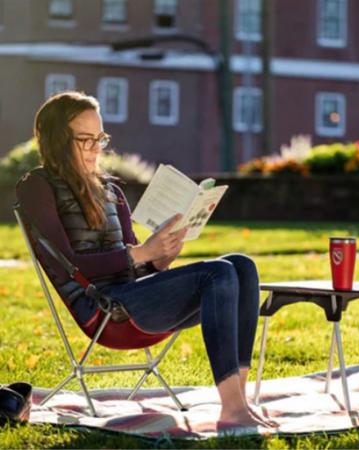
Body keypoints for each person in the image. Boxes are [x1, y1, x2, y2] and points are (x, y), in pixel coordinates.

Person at [16, 91, 277, 429]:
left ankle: (239, 400)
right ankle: (231, 409)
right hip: (105, 311)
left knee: (242, 265)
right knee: (218, 273)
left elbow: (136, 264)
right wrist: (142, 254)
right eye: (85, 139)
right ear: (56, 140)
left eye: (100, 138)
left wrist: (160, 258)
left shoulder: (111, 191)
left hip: (135, 298)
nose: (97, 148)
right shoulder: (37, 186)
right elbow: (70, 263)